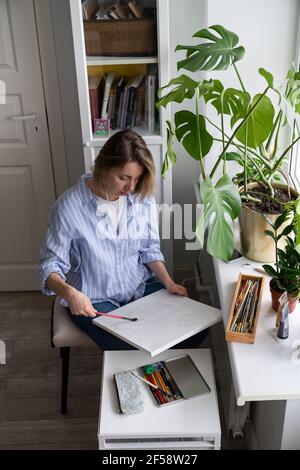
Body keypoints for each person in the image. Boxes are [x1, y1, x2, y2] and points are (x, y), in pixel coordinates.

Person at [39, 129, 207, 349]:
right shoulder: (68, 207)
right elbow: (49, 267)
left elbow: (149, 249)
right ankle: (142, 379)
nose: (131, 187)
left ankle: (159, 378)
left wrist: (168, 282)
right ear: (104, 167)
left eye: (137, 178)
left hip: (139, 286)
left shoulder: (140, 198)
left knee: (194, 330)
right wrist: (70, 294)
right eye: (124, 178)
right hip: (94, 298)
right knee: (130, 342)